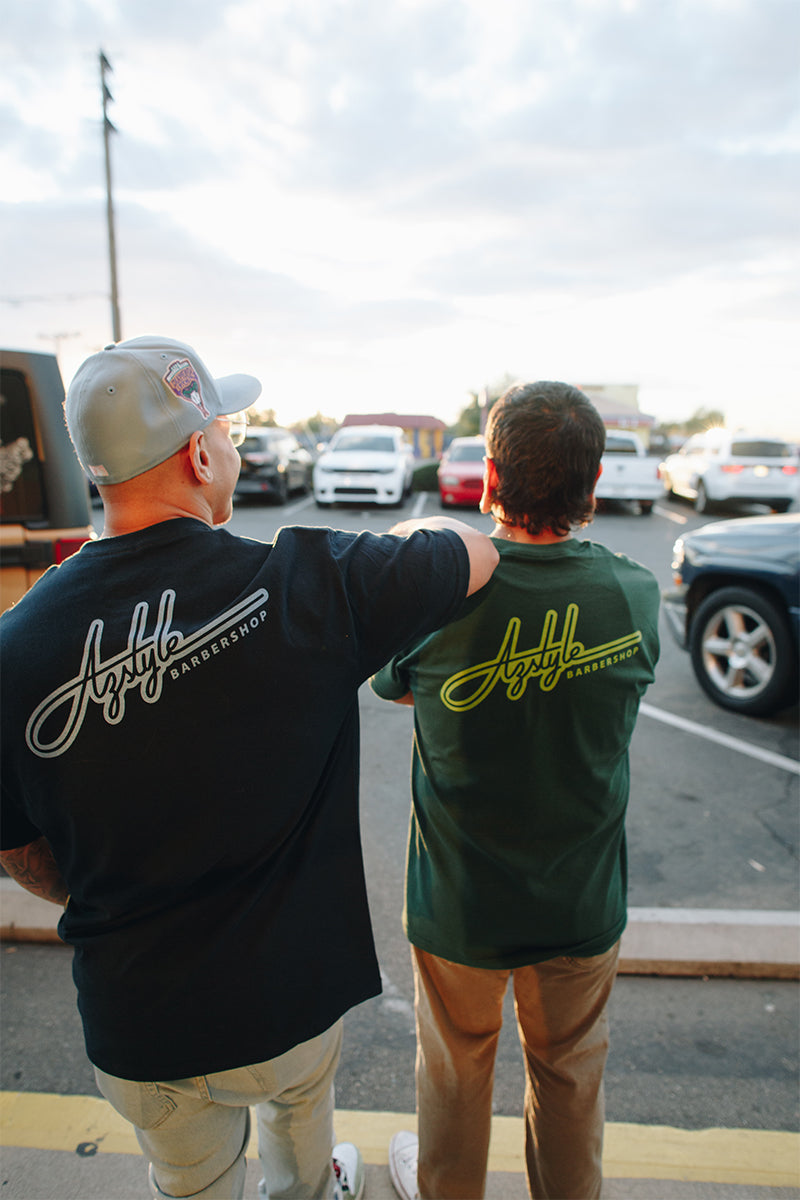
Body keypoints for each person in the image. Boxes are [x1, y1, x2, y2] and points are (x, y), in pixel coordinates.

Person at [0, 335, 499, 1200]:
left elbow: (22, 858)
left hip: (137, 1018)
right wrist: (408, 530)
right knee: (301, 1141)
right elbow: (473, 553)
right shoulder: (308, 582)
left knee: (189, 1183)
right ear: (198, 452)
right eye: (226, 429)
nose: (229, 446)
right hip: (287, 1001)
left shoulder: (14, 647)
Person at [370, 381, 660, 1200]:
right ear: (592, 482)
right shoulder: (633, 594)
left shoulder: (440, 596)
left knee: (455, 1077)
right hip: (580, 900)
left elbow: (391, 685)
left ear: (490, 479)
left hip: (458, 903)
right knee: (569, 1080)